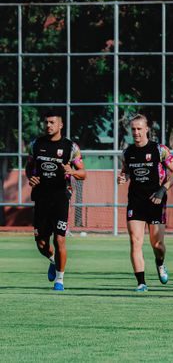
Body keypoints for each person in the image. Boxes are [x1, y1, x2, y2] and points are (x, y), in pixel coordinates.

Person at [118, 114, 173, 292]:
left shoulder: (159, 150)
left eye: (139, 129)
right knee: (135, 241)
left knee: (157, 245)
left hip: (156, 201)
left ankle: (160, 264)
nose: (136, 132)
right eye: (133, 129)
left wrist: (163, 190)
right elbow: (126, 171)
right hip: (135, 202)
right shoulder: (128, 152)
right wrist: (123, 177)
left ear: (147, 129)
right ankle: (141, 283)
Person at [26, 111, 87, 291]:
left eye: (52, 122)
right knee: (41, 244)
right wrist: (31, 177)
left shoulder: (71, 147)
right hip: (41, 198)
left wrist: (72, 171)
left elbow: (83, 173)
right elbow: (29, 167)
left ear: (60, 125)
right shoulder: (36, 144)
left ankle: (60, 280)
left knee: (59, 240)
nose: (48, 126)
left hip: (61, 198)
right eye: (46, 122)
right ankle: (53, 260)